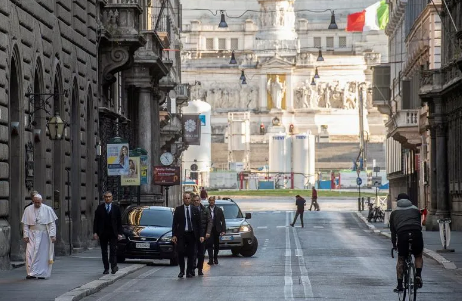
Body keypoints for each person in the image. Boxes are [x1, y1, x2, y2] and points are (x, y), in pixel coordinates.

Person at [390, 193, 424, 293]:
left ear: (398, 201)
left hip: (402, 234)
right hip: (416, 233)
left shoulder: (394, 212)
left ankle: (400, 285)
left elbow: (393, 230)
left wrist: (394, 244)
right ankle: (418, 275)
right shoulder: (415, 209)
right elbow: (419, 224)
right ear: (409, 200)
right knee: (418, 255)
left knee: (401, 259)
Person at [21, 193, 58, 279]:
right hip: (31, 234)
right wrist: (25, 235)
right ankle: (30, 273)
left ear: (41, 201)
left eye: (39, 202)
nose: (37, 204)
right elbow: (26, 224)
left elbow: (52, 224)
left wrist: (53, 235)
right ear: (33, 201)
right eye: (35, 202)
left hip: (43, 235)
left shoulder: (47, 209)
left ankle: (41, 273)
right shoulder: (28, 209)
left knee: (42, 254)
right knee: (29, 253)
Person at [172, 193, 204, 278]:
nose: (187, 200)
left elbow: (199, 224)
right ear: (183, 199)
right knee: (181, 252)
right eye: (185, 198)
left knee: (191, 253)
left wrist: (201, 235)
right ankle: (181, 271)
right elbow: (174, 224)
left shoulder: (195, 210)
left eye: (188, 198)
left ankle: (189, 271)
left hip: (192, 234)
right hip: (182, 234)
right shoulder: (178, 210)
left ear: (191, 199)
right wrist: (174, 235)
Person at [93, 191, 123, 275]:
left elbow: (119, 222)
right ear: (104, 198)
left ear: (112, 198)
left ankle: (114, 267)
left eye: (109, 197)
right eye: (106, 197)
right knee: (104, 251)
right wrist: (95, 232)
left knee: (113, 250)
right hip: (103, 232)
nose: (107, 198)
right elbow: (96, 221)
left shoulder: (116, 208)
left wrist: (120, 233)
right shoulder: (100, 208)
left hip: (113, 233)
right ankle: (106, 268)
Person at [192, 194, 212, 276]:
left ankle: (200, 268)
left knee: (201, 253)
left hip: (202, 235)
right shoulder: (191, 209)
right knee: (193, 253)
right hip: (193, 235)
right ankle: (192, 268)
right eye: (195, 201)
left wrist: (208, 232)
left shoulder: (205, 210)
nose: (196, 202)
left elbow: (209, 221)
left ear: (200, 200)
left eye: (197, 200)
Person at [206, 196, 226, 265]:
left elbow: (222, 220)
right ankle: (210, 259)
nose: (211, 202)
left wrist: (223, 230)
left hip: (217, 229)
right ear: (209, 201)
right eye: (210, 200)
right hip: (209, 230)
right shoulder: (206, 210)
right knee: (209, 244)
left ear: (214, 202)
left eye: (213, 201)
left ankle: (215, 258)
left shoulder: (219, 210)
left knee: (216, 245)